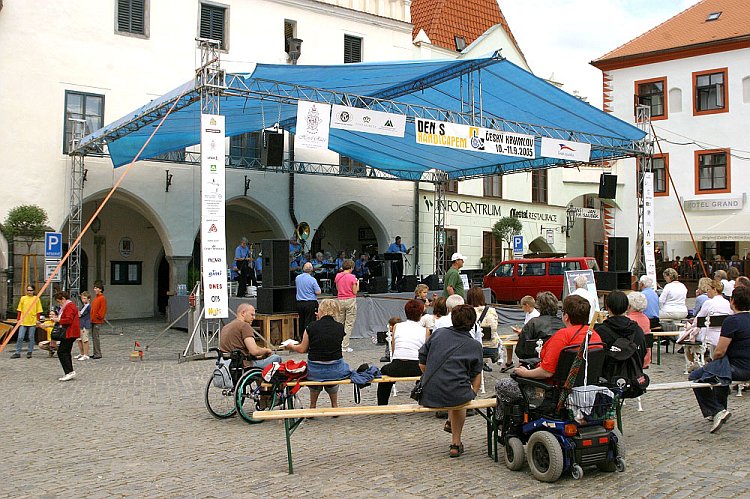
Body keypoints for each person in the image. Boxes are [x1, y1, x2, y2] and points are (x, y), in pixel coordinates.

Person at [495, 295, 602, 424]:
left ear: (566, 316)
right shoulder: (595, 336)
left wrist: (524, 373)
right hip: (584, 388)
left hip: (552, 391)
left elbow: (546, 372)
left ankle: (504, 424)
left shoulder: (563, 335)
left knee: (502, 385)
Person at [418, 304, 483, 458]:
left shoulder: (438, 334)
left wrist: (432, 377)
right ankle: (455, 443)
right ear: (473, 323)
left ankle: (450, 421)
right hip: (456, 395)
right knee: (459, 395)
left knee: (455, 389)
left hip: (429, 393)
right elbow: (476, 374)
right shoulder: (474, 345)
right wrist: (473, 392)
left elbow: (422, 362)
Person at [691, 285, 750, 433]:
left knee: (697, 376)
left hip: (738, 368)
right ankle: (719, 408)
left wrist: (713, 360)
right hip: (740, 365)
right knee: (716, 370)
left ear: (732, 301)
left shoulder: (732, 321)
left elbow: (720, 351)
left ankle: (717, 410)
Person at [285, 299, 351, 409]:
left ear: (321, 311)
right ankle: (334, 405)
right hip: (335, 370)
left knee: (314, 375)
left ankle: (313, 405)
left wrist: (291, 346)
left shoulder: (311, 327)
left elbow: (302, 349)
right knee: (337, 370)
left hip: (315, 371)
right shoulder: (340, 327)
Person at [378, 300, 428, 405]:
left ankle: (382, 403)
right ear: (420, 314)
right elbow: (426, 352)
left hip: (397, 364)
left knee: (384, 372)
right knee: (426, 373)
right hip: (416, 366)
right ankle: (423, 398)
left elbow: (394, 348)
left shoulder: (397, 326)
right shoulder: (425, 330)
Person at [595, 290, 647, 371]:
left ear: (607, 307)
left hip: (607, 379)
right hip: (633, 376)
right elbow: (642, 353)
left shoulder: (600, 332)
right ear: (628, 307)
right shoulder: (637, 329)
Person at [218, 304, 281, 369]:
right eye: (252, 315)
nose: (254, 318)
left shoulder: (226, 327)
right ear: (243, 313)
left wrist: (260, 356)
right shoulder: (244, 326)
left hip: (227, 364)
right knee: (276, 358)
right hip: (243, 365)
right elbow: (254, 350)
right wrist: (266, 350)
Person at [513, 291, 565, 366]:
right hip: (559, 364)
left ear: (539, 306)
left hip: (536, 364)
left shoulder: (532, 323)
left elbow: (520, 351)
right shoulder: (563, 324)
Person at [694, 279, 733, 356]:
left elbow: (698, 319)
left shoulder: (709, 303)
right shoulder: (727, 303)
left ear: (714, 290)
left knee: (690, 332)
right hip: (723, 334)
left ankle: (690, 363)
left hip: (709, 334)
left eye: (708, 289)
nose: (707, 292)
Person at [466, 286, 499, 371]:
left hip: (474, 349)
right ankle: (487, 361)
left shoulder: (467, 312)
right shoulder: (492, 311)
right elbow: (494, 328)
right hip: (492, 348)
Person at [50, 291, 81, 381]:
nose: (59, 304)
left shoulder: (69, 306)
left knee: (62, 352)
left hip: (70, 332)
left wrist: (58, 320)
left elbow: (68, 319)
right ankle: (69, 371)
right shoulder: (68, 306)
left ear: (63, 299)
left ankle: (69, 372)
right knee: (65, 352)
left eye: (59, 301)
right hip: (70, 332)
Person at [11, 284, 42, 359]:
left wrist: (38, 320)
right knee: (20, 337)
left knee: (31, 337)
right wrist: (18, 319)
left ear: (33, 291)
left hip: (32, 320)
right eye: (28, 290)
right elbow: (19, 309)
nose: (29, 292)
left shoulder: (36, 299)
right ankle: (17, 352)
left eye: (31, 290)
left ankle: (30, 351)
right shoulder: (23, 298)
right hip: (23, 320)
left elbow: (38, 310)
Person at [334, 259, 359, 352]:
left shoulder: (338, 276)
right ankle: (345, 346)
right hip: (350, 300)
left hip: (340, 300)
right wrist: (358, 283)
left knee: (339, 323)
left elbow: (337, 288)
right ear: (351, 267)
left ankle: (338, 344)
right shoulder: (352, 277)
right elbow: (355, 291)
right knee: (348, 324)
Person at [295, 262, 321, 340]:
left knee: (301, 320)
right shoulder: (312, 279)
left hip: (300, 302)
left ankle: (301, 337)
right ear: (312, 270)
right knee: (309, 322)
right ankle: (308, 339)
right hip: (310, 302)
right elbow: (318, 292)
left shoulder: (297, 278)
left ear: (303, 269)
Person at [627, 291, 652, 368]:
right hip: (645, 356)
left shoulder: (628, 320)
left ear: (629, 305)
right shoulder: (646, 319)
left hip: (632, 357)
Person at [90, 281, 107, 360]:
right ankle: (95, 352)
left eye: (96, 288)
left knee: (96, 337)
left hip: (97, 320)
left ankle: (97, 353)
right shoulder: (97, 298)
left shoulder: (102, 298)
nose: (94, 289)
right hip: (93, 320)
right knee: (94, 337)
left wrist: (98, 316)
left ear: (100, 289)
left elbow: (102, 310)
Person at [76, 291, 92, 361]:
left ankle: (86, 354)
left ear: (88, 299)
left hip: (85, 324)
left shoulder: (88, 306)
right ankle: (82, 353)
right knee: (79, 339)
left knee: (85, 340)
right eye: (82, 298)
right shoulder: (83, 306)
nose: (83, 300)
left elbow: (80, 314)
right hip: (81, 323)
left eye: (85, 298)